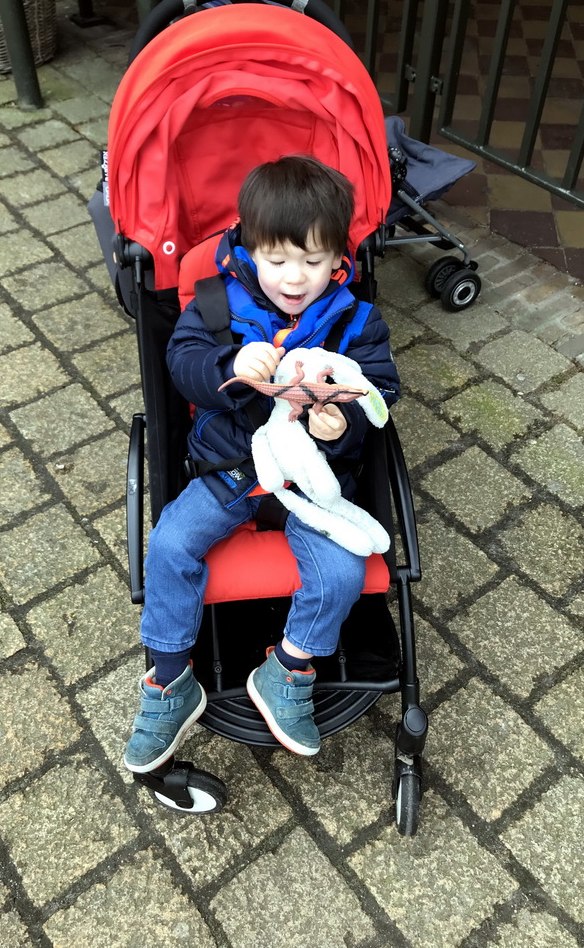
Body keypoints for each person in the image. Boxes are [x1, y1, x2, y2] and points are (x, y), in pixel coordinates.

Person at [124, 155, 400, 773]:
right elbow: (182, 364)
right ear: (250, 248)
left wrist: (343, 422)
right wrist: (227, 368)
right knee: (170, 545)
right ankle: (170, 681)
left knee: (344, 573)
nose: (295, 278)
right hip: (231, 469)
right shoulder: (218, 304)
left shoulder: (356, 319)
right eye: (277, 260)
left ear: (339, 259)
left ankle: (288, 670)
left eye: (313, 261)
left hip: (313, 482)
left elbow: (381, 388)